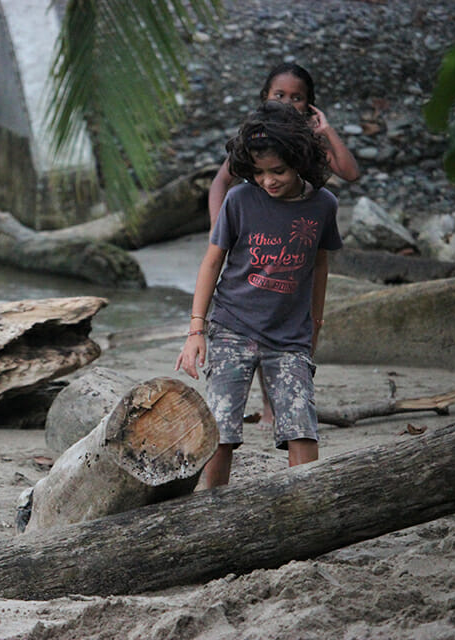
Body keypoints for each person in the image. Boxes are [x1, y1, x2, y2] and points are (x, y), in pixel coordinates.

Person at [175, 100, 341, 488]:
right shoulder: (240, 200)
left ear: (300, 160)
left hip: (290, 338)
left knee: (301, 426)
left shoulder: (323, 206)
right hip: (232, 328)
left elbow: (319, 265)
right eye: (260, 172)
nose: (268, 181)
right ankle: (209, 512)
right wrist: (195, 331)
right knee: (221, 430)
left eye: (278, 171)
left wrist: (315, 323)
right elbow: (212, 262)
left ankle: (306, 506)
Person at [207, 62, 360, 431]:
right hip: (258, 243)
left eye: (298, 98)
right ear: (265, 98)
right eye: (280, 95)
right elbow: (219, 184)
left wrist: (327, 130)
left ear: (310, 105)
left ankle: (279, 404)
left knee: (282, 317)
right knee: (254, 313)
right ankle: (267, 405)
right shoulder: (259, 143)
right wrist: (219, 233)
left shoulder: (305, 147)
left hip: (299, 236)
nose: (289, 103)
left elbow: (349, 172)